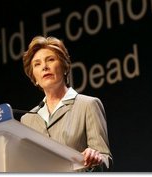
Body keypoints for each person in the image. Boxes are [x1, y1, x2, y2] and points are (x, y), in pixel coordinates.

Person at [20, 36, 113, 172]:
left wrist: (96, 160)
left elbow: (105, 159)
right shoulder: (27, 120)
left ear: (64, 67)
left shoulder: (87, 105)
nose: (45, 67)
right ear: (34, 78)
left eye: (50, 60)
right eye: (37, 64)